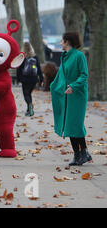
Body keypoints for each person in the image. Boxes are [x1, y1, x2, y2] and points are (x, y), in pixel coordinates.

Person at [50, 32, 91, 166]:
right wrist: (54, 86)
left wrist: (73, 86)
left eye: (62, 41)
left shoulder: (79, 56)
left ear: (67, 42)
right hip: (67, 95)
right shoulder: (65, 57)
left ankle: (83, 152)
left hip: (78, 95)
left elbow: (84, 75)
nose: (60, 43)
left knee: (75, 124)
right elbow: (61, 76)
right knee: (69, 125)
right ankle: (78, 154)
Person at [17, 42, 44, 116]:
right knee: (29, 94)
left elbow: (19, 69)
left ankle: (30, 105)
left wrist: (18, 79)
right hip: (34, 79)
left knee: (26, 94)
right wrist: (41, 79)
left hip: (25, 79)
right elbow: (39, 69)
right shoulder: (35, 57)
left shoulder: (22, 57)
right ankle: (29, 110)